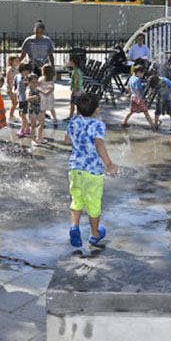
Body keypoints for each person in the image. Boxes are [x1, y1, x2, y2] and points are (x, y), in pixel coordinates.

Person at [65, 93, 118, 248]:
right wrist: (109, 164)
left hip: (75, 168)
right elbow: (99, 145)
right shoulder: (98, 125)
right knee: (93, 204)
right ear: (97, 109)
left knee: (77, 200)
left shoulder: (74, 121)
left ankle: (74, 227)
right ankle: (95, 234)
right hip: (92, 172)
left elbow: (67, 140)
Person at [121, 64, 155, 129]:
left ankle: (124, 122)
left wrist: (130, 93)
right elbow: (138, 89)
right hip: (138, 98)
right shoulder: (137, 80)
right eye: (142, 74)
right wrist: (139, 99)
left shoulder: (131, 78)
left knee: (131, 111)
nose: (143, 75)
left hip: (133, 97)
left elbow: (128, 87)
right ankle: (153, 126)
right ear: (139, 73)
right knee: (146, 112)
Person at [15, 62, 32, 138]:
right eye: (24, 70)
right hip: (20, 98)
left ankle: (22, 130)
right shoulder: (18, 76)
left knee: (22, 114)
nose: (26, 72)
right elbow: (15, 85)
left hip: (25, 99)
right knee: (22, 114)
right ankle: (27, 128)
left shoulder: (27, 78)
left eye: (27, 70)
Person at [66, 55, 84, 121]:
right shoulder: (77, 70)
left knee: (73, 104)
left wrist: (73, 91)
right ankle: (77, 117)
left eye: (70, 61)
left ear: (74, 62)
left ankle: (71, 117)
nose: (69, 63)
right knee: (77, 104)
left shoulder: (75, 71)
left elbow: (77, 81)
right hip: (80, 89)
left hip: (77, 90)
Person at [27, 73, 44, 143]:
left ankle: (39, 137)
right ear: (28, 83)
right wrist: (32, 97)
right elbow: (27, 98)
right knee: (33, 126)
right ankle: (33, 140)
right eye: (33, 82)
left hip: (38, 109)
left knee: (42, 123)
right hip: (32, 110)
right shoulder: (29, 91)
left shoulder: (37, 90)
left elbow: (45, 93)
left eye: (36, 82)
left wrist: (50, 89)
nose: (35, 84)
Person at [5, 55, 20, 122]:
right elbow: (9, 79)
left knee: (14, 102)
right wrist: (11, 89)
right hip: (11, 88)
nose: (17, 62)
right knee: (15, 102)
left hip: (14, 87)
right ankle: (11, 116)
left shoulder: (15, 68)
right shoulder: (10, 69)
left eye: (18, 61)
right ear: (11, 61)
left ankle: (11, 115)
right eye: (16, 61)